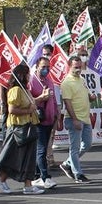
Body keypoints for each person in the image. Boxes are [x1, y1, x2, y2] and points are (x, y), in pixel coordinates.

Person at [0, 64, 44, 195]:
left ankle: (28, 185)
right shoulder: (16, 90)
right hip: (18, 129)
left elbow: (31, 104)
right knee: (14, 157)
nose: (29, 76)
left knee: (29, 157)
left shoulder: (25, 89)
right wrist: (28, 110)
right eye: (27, 74)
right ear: (22, 75)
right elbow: (12, 109)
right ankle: (1, 179)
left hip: (29, 126)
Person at [59, 55, 94, 183]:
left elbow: (86, 94)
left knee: (87, 144)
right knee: (75, 147)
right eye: (75, 67)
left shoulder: (82, 79)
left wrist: (91, 97)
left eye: (80, 67)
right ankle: (78, 174)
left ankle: (67, 164)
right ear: (69, 66)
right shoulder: (67, 83)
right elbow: (67, 103)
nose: (78, 69)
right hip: (74, 119)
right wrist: (74, 119)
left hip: (85, 118)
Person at [30, 57, 60, 189]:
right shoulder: (31, 81)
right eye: (43, 67)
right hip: (38, 120)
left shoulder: (49, 80)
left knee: (41, 149)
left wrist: (56, 116)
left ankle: (36, 176)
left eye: (48, 67)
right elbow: (28, 101)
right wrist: (41, 98)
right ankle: (45, 177)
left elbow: (53, 100)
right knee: (41, 149)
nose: (46, 70)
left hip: (49, 119)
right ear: (37, 66)